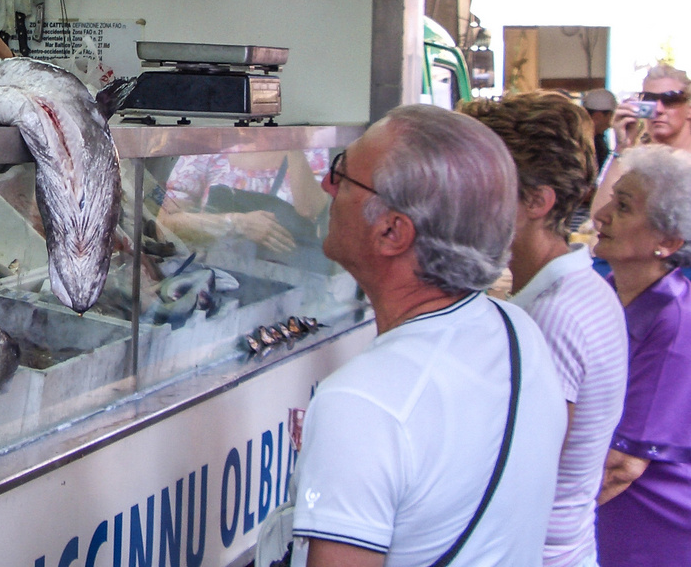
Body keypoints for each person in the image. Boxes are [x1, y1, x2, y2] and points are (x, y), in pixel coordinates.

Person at [290, 105, 566, 567]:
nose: (326, 185)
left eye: (341, 174)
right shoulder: (518, 332)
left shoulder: (362, 402)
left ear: (392, 231)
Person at [461, 92, 627, 567]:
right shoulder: (578, 290)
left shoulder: (553, 317)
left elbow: (521, 472)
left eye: (486, 183)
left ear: (537, 201)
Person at [592, 145, 691, 567]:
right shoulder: (607, 291)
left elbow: (622, 465)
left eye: (624, 207)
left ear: (666, 242)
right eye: (613, 198)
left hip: (653, 526)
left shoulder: (674, 320)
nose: (601, 215)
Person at [158, 149, 330, 256]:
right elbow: (165, 226)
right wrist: (237, 223)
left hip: (291, 283)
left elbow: (311, 210)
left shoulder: (310, 150)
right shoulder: (208, 146)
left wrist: (293, 146)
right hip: (218, 279)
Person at [592, 66, 691, 218]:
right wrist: (623, 147)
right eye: (649, 100)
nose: (658, 109)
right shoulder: (635, 158)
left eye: (670, 99)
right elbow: (600, 220)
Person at [583, 87, 618, 174]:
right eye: (611, 115)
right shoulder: (585, 144)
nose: (612, 120)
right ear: (598, 116)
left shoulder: (598, 139)